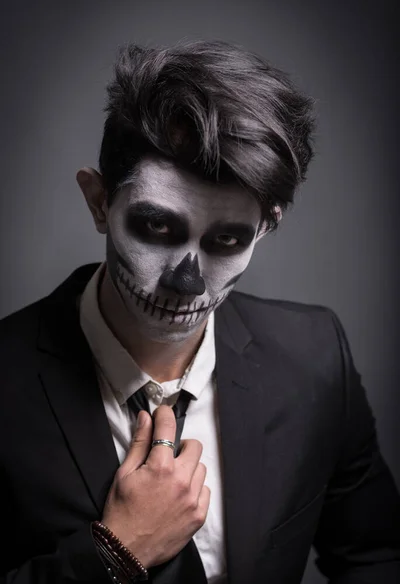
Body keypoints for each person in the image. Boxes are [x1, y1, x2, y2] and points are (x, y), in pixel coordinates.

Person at [0, 39, 399, 584]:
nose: (185, 282)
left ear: (266, 226)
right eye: (157, 226)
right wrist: (116, 555)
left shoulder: (315, 356)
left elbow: (376, 556)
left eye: (229, 239)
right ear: (99, 202)